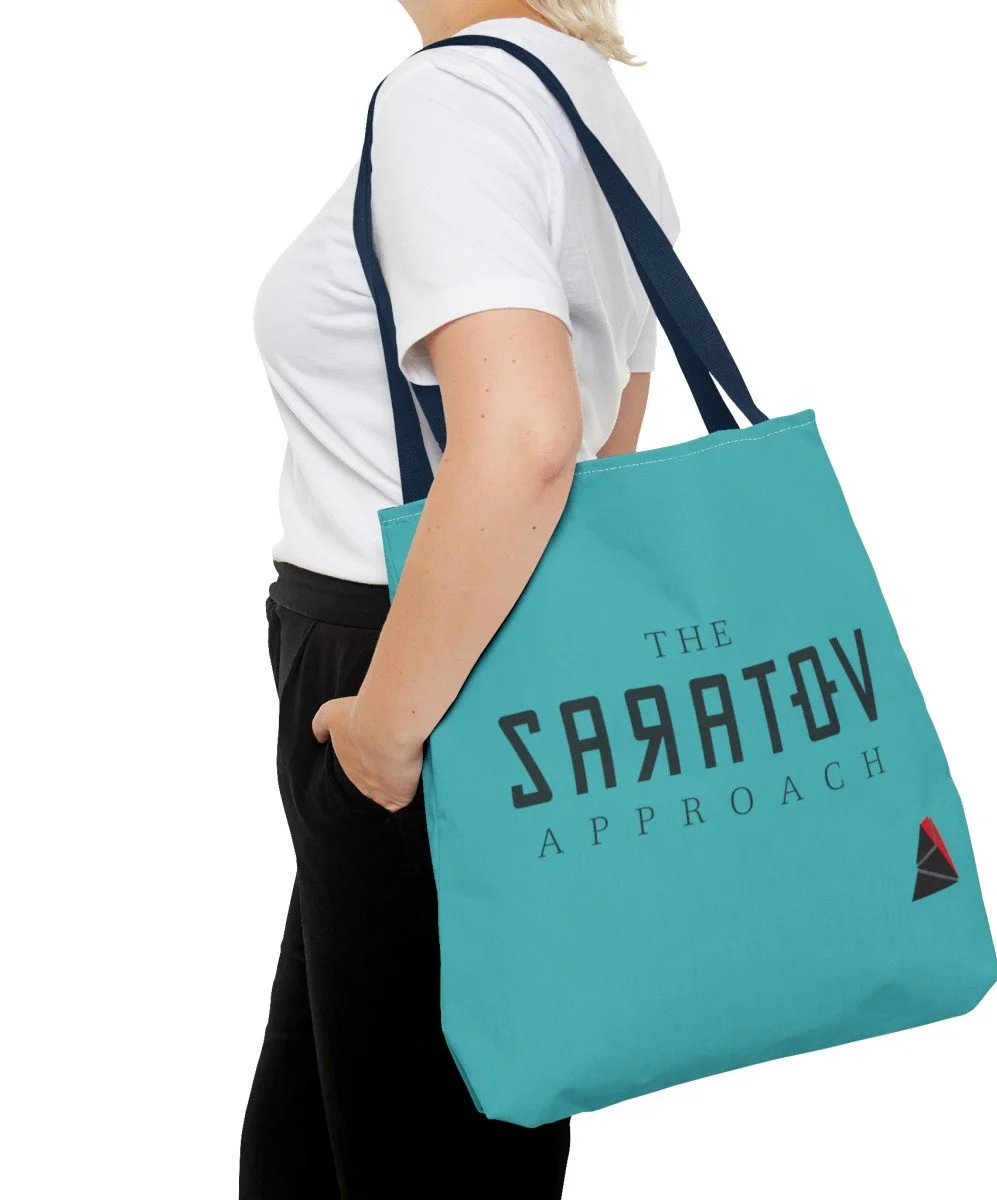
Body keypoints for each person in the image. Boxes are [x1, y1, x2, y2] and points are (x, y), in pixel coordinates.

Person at [240, 2, 678, 1195]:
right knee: (349, 1134)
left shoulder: (454, 100)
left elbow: (532, 438)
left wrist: (386, 733)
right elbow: (609, 443)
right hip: (492, 650)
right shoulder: (582, 94)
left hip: (405, 672)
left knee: (412, 1149)